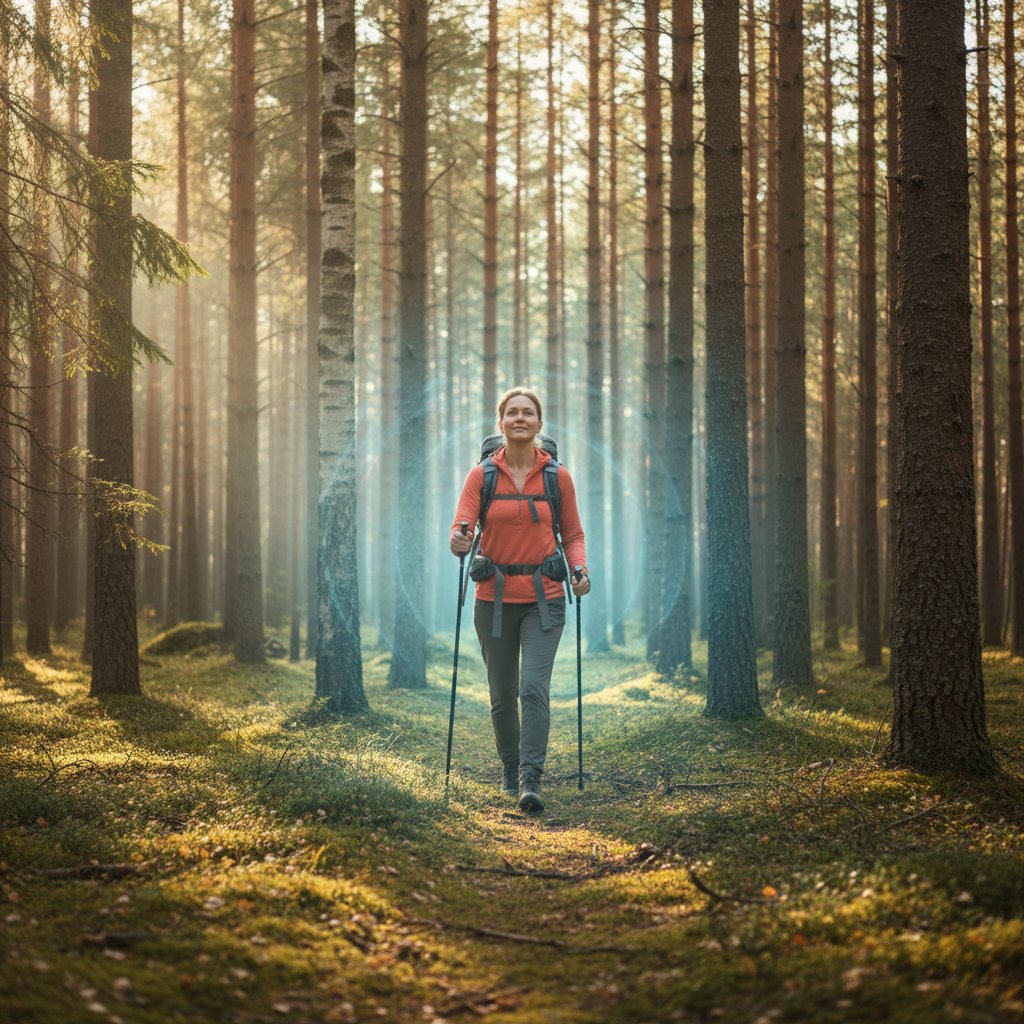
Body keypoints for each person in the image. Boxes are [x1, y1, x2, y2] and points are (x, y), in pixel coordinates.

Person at [450, 387, 590, 813]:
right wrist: (460, 539)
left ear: (539, 423)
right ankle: (510, 767)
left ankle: (531, 777)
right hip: (491, 600)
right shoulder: (482, 477)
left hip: (544, 599)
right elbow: (461, 528)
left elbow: (574, 535)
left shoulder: (557, 477)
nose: (520, 419)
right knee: (501, 694)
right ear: (501, 422)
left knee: (533, 688)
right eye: (512, 413)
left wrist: (579, 570)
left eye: (528, 413)